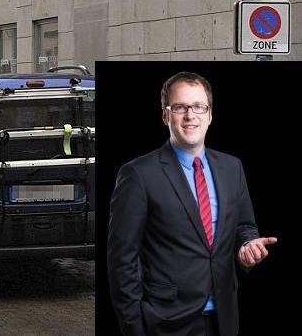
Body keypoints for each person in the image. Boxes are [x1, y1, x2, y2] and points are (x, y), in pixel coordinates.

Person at [107, 72, 277, 336]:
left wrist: (247, 246)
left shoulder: (232, 168)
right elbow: (121, 259)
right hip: (165, 322)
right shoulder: (138, 174)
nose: (190, 115)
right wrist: (134, 327)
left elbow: (244, 226)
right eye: (180, 107)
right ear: (165, 115)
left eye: (199, 106)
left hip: (224, 317)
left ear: (210, 114)